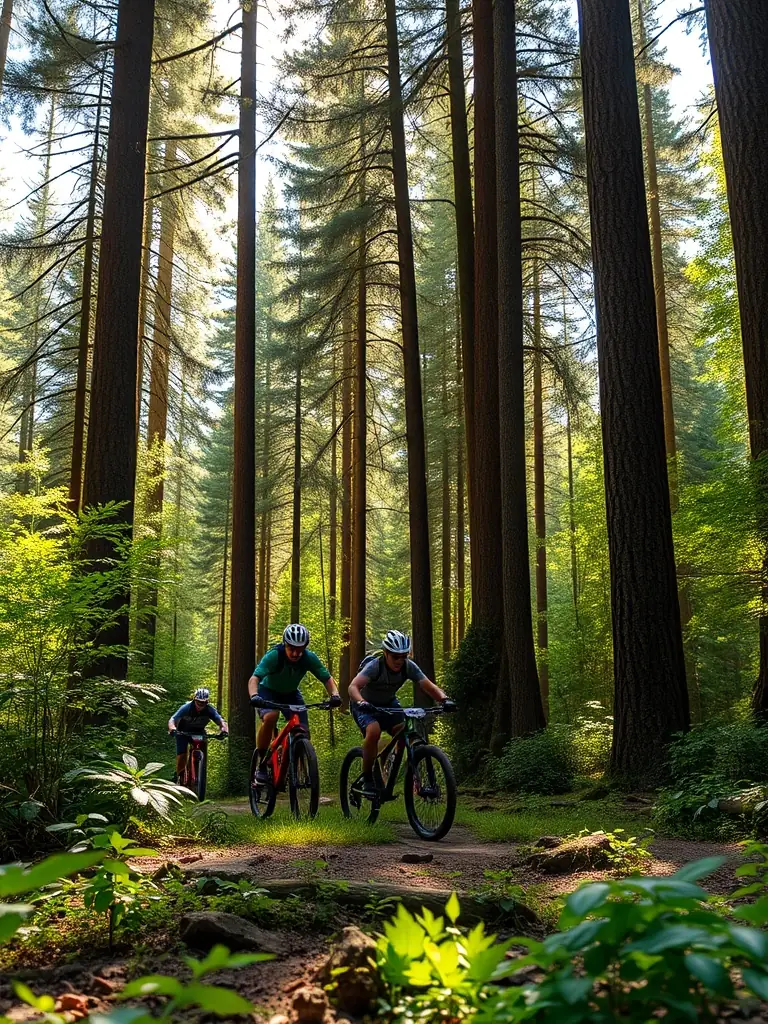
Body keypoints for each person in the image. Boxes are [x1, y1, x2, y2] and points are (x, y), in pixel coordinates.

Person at [348, 629, 455, 796]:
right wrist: (361, 702)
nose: (399, 661)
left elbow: (427, 685)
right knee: (374, 731)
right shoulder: (375, 666)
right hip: (364, 706)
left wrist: (444, 699)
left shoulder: (408, 667)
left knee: (406, 730)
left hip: (389, 705)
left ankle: (391, 763)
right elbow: (353, 687)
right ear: (385, 653)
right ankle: (368, 777)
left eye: (404, 656)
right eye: (395, 657)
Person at [247, 623, 341, 783]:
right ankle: (262, 763)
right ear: (285, 644)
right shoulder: (274, 656)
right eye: (292, 648)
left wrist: (335, 695)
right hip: (268, 692)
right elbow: (254, 679)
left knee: (302, 731)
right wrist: (254, 695)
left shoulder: (308, 658)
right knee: (271, 717)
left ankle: (292, 761)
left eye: (300, 648)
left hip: (291, 694)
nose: (296, 653)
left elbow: (327, 678)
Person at [168, 687, 228, 781]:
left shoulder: (209, 710)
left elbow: (221, 721)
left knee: (203, 748)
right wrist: (172, 729)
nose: (201, 704)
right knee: (182, 754)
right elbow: (173, 719)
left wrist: (224, 730)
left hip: (199, 732)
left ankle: (200, 771)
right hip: (183, 732)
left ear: (207, 702)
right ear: (194, 699)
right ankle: (179, 775)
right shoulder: (186, 708)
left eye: (204, 702)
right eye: (199, 702)